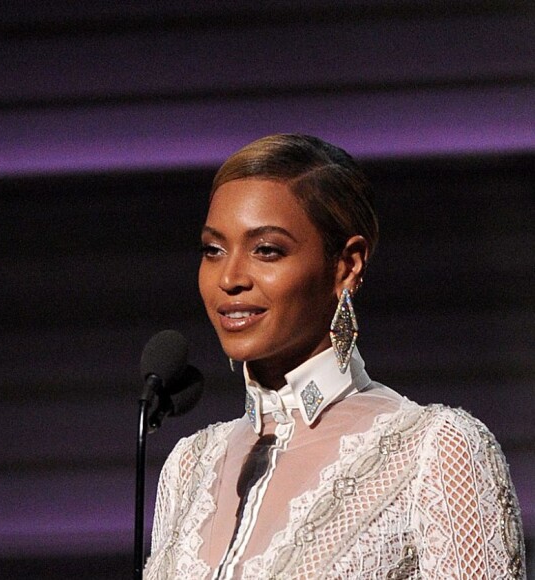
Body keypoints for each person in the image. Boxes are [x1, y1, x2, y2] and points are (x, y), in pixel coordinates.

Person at [143, 134, 525, 579]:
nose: (230, 278)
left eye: (267, 250)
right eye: (214, 250)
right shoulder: (189, 465)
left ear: (347, 266)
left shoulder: (437, 451)